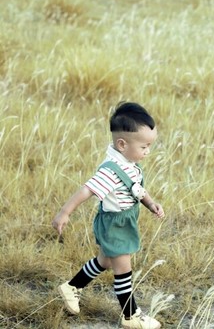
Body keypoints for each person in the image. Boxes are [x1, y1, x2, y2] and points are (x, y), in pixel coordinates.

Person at [52, 102, 165, 329]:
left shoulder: (128, 162)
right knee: (123, 268)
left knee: (104, 261)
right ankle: (130, 315)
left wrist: (150, 203)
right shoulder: (110, 171)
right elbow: (87, 190)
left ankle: (72, 287)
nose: (148, 151)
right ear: (122, 144)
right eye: (144, 146)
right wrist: (65, 212)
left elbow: (136, 188)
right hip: (115, 224)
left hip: (124, 220)